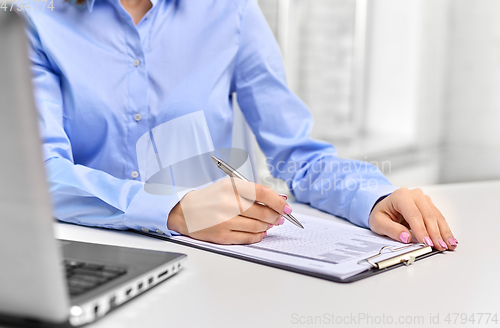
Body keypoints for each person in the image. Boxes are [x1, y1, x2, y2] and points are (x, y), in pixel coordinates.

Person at [22, 0, 457, 250]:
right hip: (82, 251)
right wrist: (173, 210)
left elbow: (297, 157)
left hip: (211, 258)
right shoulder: (36, 19)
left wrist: (372, 196)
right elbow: (38, 175)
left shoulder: (230, 13)